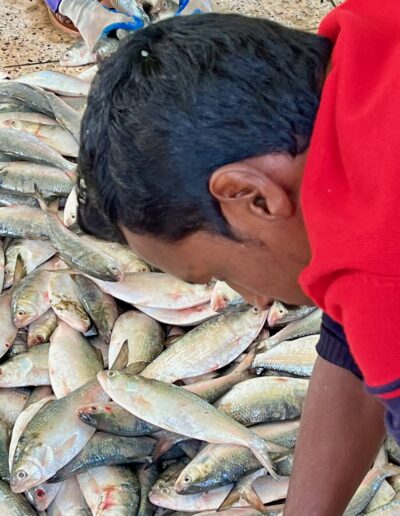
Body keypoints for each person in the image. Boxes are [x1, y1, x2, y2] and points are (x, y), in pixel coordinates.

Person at [76, 0, 400, 513]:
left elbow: (377, 313)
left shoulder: (387, 280)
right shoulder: (375, 35)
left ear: (254, 198)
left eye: (218, 272)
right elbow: (353, 342)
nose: (250, 298)